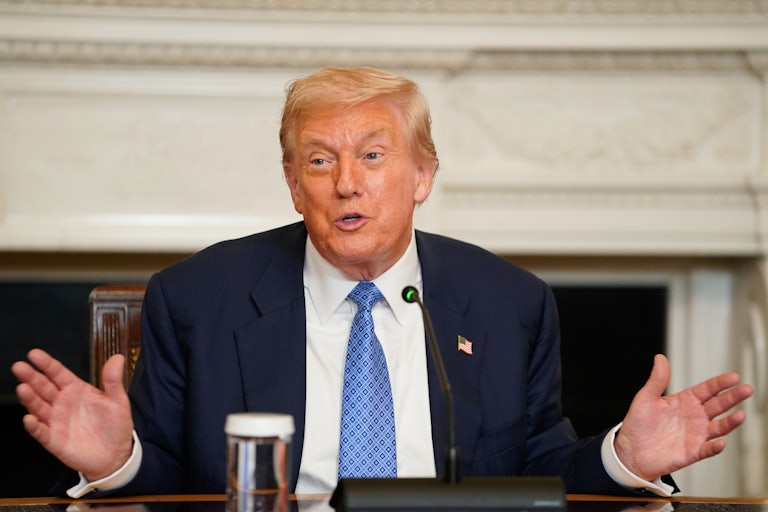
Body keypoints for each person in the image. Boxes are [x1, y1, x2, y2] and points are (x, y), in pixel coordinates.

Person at [12, 67, 754, 500]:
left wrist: (624, 457)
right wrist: (118, 462)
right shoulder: (198, 298)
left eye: (373, 156)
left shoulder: (508, 303)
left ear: (422, 175)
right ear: (292, 184)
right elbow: (171, 483)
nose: (346, 183)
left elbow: (538, 473)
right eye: (319, 161)